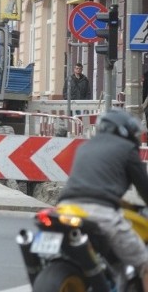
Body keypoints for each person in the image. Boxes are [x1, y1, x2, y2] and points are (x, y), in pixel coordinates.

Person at [58, 109, 148, 291]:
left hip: (64, 208)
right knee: (144, 262)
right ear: (124, 130)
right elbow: (144, 188)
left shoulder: (84, 147)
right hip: (99, 212)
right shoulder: (127, 149)